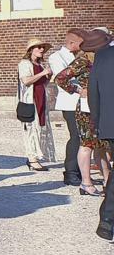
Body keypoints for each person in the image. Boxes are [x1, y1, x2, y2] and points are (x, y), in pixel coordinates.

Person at [54, 30, 111, 196]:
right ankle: (86, 183)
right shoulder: (83, 60)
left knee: (101, 145)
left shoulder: (102, 58)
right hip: (86, 108)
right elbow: (60, 78)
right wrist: (78, 90)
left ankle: (108, 182)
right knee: (87, 144)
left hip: (100, 105)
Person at [46, 29, 86, 187]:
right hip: (70, 102)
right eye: (81, 43)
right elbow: (60, 79)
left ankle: (82, 172)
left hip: (84, 102)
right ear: (71, 43)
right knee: (76, 136)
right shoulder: (56, 57)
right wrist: (79, 90)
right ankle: (70, 172)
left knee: (84, 137)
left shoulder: (82, 55)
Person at [85, 32, 114, 240]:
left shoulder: (102, 56)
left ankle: (107, 218)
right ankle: (107, 218)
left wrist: (96, 121)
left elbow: (92, 91)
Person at [17, 39, 56, 171]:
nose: (41, 49)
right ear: (31, 50)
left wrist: (48, 76)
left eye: (43, 47)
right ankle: (32, 159)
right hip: (30, 101)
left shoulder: (40, 64)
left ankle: (35, 156)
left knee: (40, 129)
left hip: (41, 99)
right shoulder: (24, 64)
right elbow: (26, 81)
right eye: (38, 47)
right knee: (30, 129)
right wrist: (42, 73)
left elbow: (43, 83)